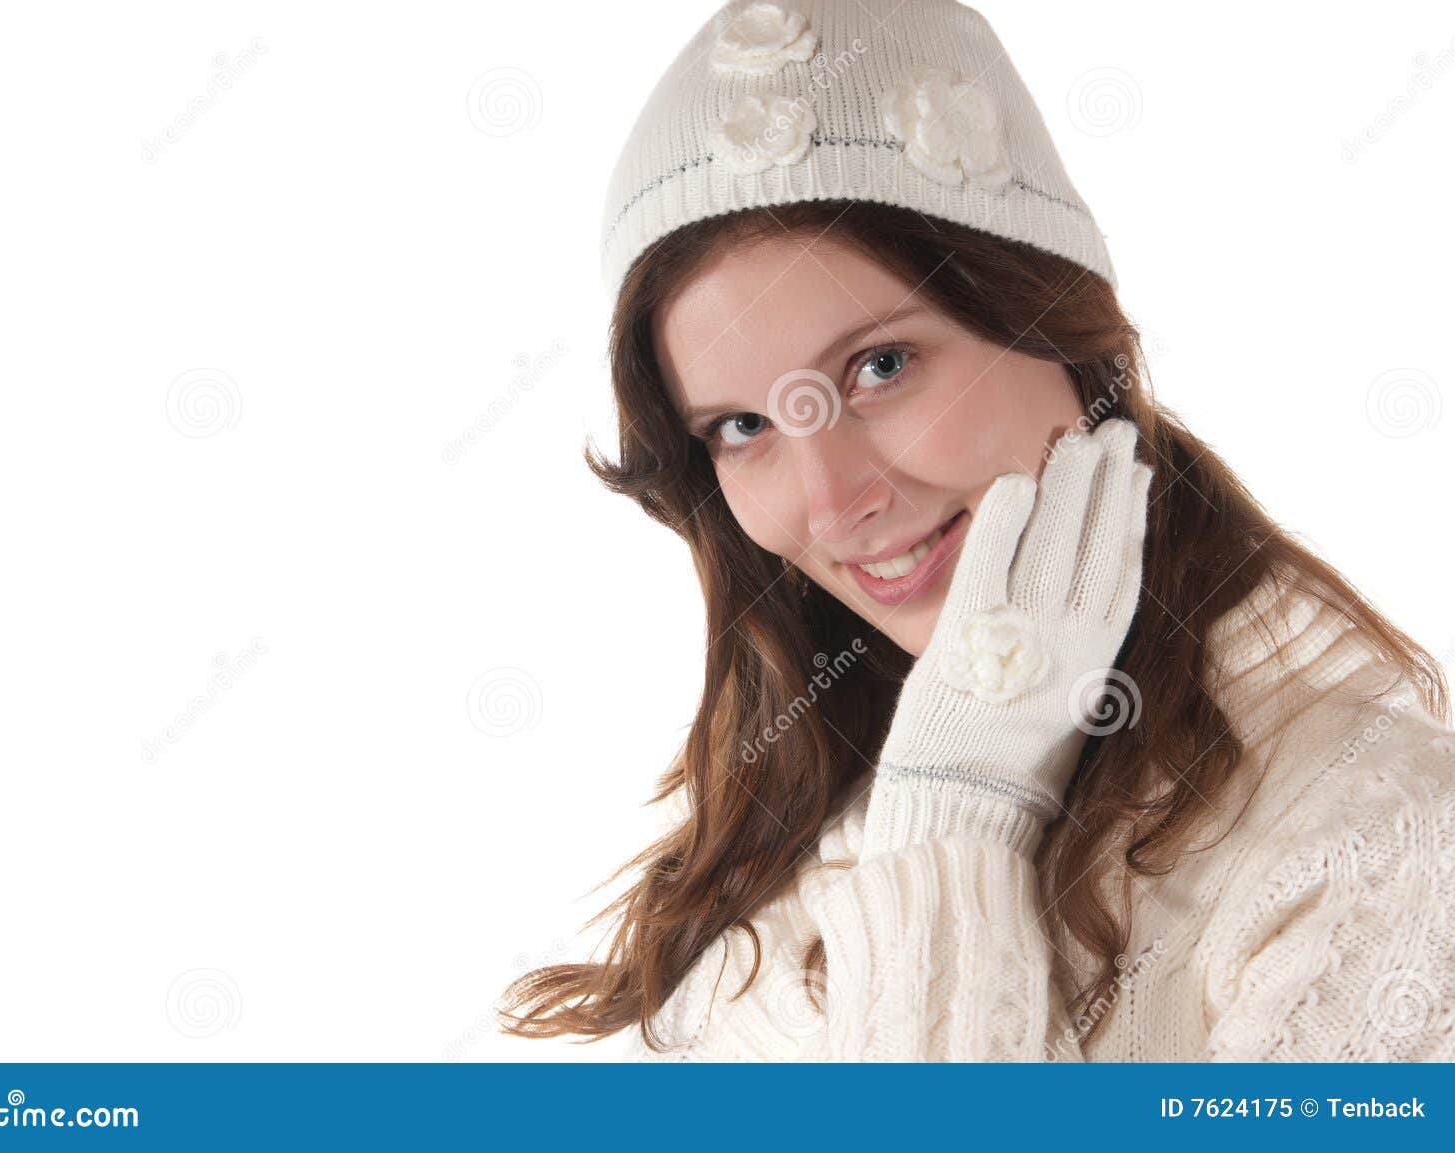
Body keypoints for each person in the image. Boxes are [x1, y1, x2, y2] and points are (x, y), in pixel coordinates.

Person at [496, 0, 1455, 1060]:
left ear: (1057, 321)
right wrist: (955, 778)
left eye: (880, 365)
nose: (831, 500)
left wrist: (958, 814)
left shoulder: (1375, 842)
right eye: (740, 425)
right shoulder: (764, 880)